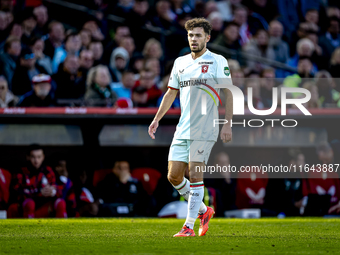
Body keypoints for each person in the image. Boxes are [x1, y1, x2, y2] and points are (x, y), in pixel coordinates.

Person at [148, 18, 233, 237]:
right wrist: (157, 118)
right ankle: (205, 211)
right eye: (190, 35)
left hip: (206, 127)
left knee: (195, 174)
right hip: (183, 127)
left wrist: (227, 124)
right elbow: (170, 92)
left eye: (197, 35)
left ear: (207, 37)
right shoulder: (180, 62)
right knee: (174, 176)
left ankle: (188, 226)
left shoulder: (217, 61)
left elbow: (229, 93)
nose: (193, 39)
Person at [7, 144, 67, 218]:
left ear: (43, 157)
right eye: (33, 157)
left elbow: (59, 190)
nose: (36, 161)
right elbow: (16, 193)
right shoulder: (21, 171)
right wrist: (38, 193)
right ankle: (29, 229)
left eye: (39, 157)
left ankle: (62, 229)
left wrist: (52, 191)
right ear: (28, 157)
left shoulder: (47, 171)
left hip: (42, 208)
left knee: (61, 203)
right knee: (29, 203)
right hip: (24, 209)